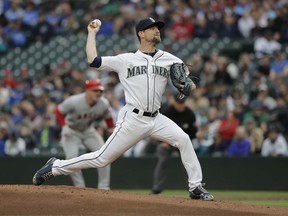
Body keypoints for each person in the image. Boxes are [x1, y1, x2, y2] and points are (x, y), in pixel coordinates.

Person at [32, 17, 214, 201]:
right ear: (141, 34)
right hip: (133, 118)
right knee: (102, 158)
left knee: (183, 139)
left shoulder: (170, 59)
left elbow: (188, 84)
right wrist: (92, 33)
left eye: (158, 28)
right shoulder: (126, 60)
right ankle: (55, 167)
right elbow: (93, 60)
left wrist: (187, 87)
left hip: (156, 118)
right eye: (152, 28)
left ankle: (195, 186)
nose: (157, 30)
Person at [54, 79, 114, 189]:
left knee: (105, 155)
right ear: (87, 91)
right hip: (71, 130)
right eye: (95, 90)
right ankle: (80, 187)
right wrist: (64, 126)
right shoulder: (74, 101)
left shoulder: (103, 103)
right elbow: (58, 111)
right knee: (71, 159)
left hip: (88, 130)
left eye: (100, 91)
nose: (98, 93)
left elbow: (109, 119)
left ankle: (104, 187)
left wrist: (111, 133)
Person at [151, 94, 197, 194]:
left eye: (182, 103)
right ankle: (156, 188)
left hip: (182, 143)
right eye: (178, 103)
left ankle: (193, 188)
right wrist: (163, 142)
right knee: (162, 161)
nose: (180, 105)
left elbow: (193, 132)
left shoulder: (190, 114)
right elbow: (158, 128)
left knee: (188, 163)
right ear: (174, 102)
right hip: (167, 142)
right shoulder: (167, 111)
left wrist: (188, 144)